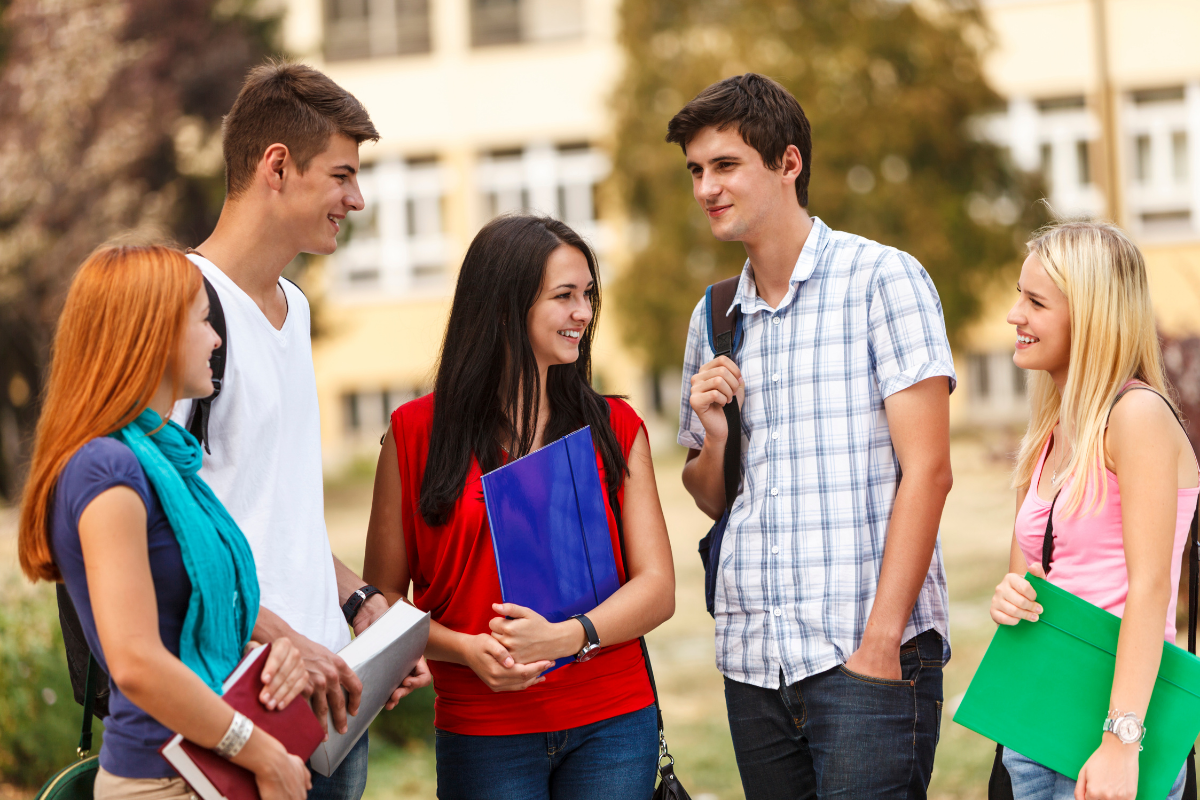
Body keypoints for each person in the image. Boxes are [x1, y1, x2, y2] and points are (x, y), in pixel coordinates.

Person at [672, 73, 956, 798]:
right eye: (697, 171)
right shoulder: (714, 318)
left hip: (865, 658)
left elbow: (928, 473)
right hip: (753, 664)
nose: (707, 187)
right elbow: (714, 500)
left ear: (788, 163)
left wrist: (882, 642)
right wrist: (711, 433)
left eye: (726, 165)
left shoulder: (882, 280)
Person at [168, 60, 430, 800]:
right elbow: (164, 528)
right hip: (245, 703)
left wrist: (359, 604)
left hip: (335, 696)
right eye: (342, 175)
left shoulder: (294, 305)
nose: (358, 197)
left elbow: (274, 510)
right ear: (277, 167)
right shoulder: (185, 310)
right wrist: (283, 637)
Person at [362, 214, 676, 799]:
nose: (584, 312)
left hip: (612, 719)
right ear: (506, 308)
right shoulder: (413, 434)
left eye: (588, 295)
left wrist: (569, 636)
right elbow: (380, 604)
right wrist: (462, 650)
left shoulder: (615, 426)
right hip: (483, 728)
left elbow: (657, 587)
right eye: (564, 297)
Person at [18, 245, 314, 800]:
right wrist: (260, 750)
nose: (218, 341)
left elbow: (182, 632)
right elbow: (134, 662)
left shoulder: (168, 460)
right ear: (151, 335)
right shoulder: (105, 469)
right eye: (204, 321)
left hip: (208, 768)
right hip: (163, 780)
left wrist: (264, 659)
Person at [990, 221, 1197, 800]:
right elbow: (1030, 578)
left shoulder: (1138, 418)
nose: (1014, 315)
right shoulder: (1050, 434)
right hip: (1032, 718)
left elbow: (1151, 585)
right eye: (1018, 295)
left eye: (1035, 301)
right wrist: (1010, 594)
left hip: (1107, 731)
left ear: (1092, 316)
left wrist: (1121, 742)